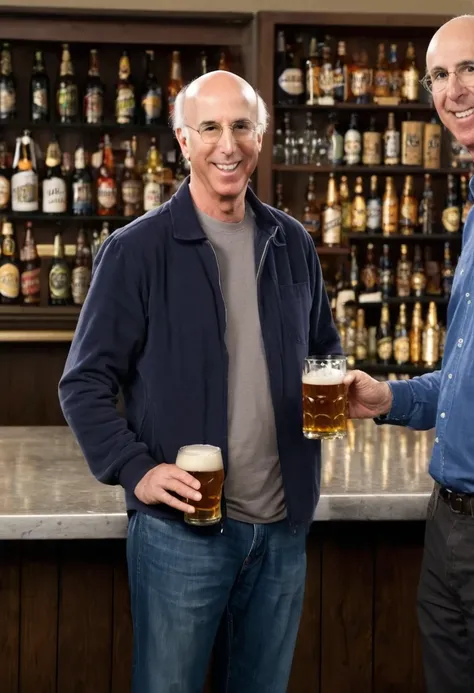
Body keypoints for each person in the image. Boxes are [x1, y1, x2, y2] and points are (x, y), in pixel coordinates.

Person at [58, 70, 341, 693]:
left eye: (241, 126)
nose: (227, 144)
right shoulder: (136, 249)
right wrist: (137, 469)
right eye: (209, 127)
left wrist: (334, 411)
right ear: (183, 142)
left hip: (283, 530)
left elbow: (325, 351)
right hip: (180, 536)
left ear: (260, 138)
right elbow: (82, 383)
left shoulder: (291, 242)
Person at [344, 15, 474, 693]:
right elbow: (462, 376)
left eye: (470, 69)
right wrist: (391, 397)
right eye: (440, 75)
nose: (454, 90)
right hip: (448, 521)